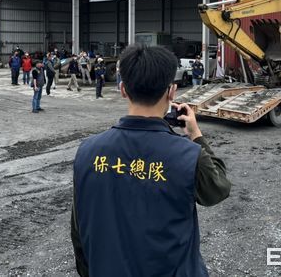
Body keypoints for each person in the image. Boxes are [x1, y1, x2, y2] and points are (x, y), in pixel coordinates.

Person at [71, 45, 231, 276]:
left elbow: (79, 232)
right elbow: (218, 189)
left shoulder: (87, 152)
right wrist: (196, 135)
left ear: (123, 89)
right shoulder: (188, 155)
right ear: (172, 91)